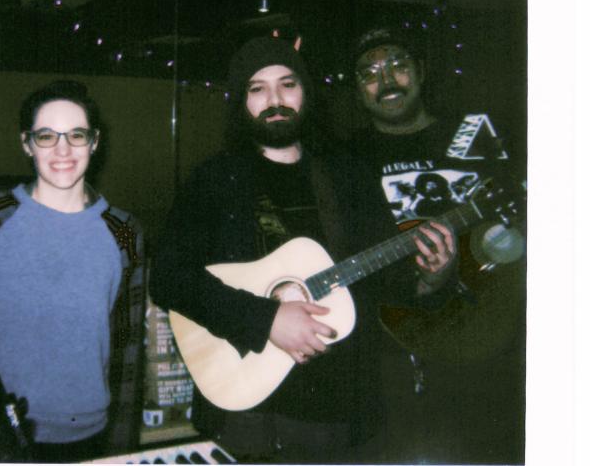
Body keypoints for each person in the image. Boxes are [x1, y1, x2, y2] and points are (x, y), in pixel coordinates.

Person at [150, 36, 457, 464]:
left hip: (342, 411)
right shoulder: (216, 179)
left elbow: (390, 286)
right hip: (250, 410)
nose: (275, 99)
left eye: (287, 84)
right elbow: (168, 278)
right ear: (242, 101)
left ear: (306, 92)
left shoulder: (347, 175)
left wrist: (432, 277)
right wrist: (266, 319)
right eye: (257, 88)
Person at [0, 80, 145, 463]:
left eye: (76, 135)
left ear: (95, 142)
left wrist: (121, 453)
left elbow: (128, 351)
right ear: (26, 143)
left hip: (83, 440)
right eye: (46, 136)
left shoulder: (124, 233)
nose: (63, 150)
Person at [349, 24, 526, 463]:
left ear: (421, 72)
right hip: (401, 354)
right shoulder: (345, 162)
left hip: (495, 342)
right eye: (369, 73)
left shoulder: (473, 137)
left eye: (398, 66)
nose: (386, 81)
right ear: (356, 89)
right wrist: (426, 281)